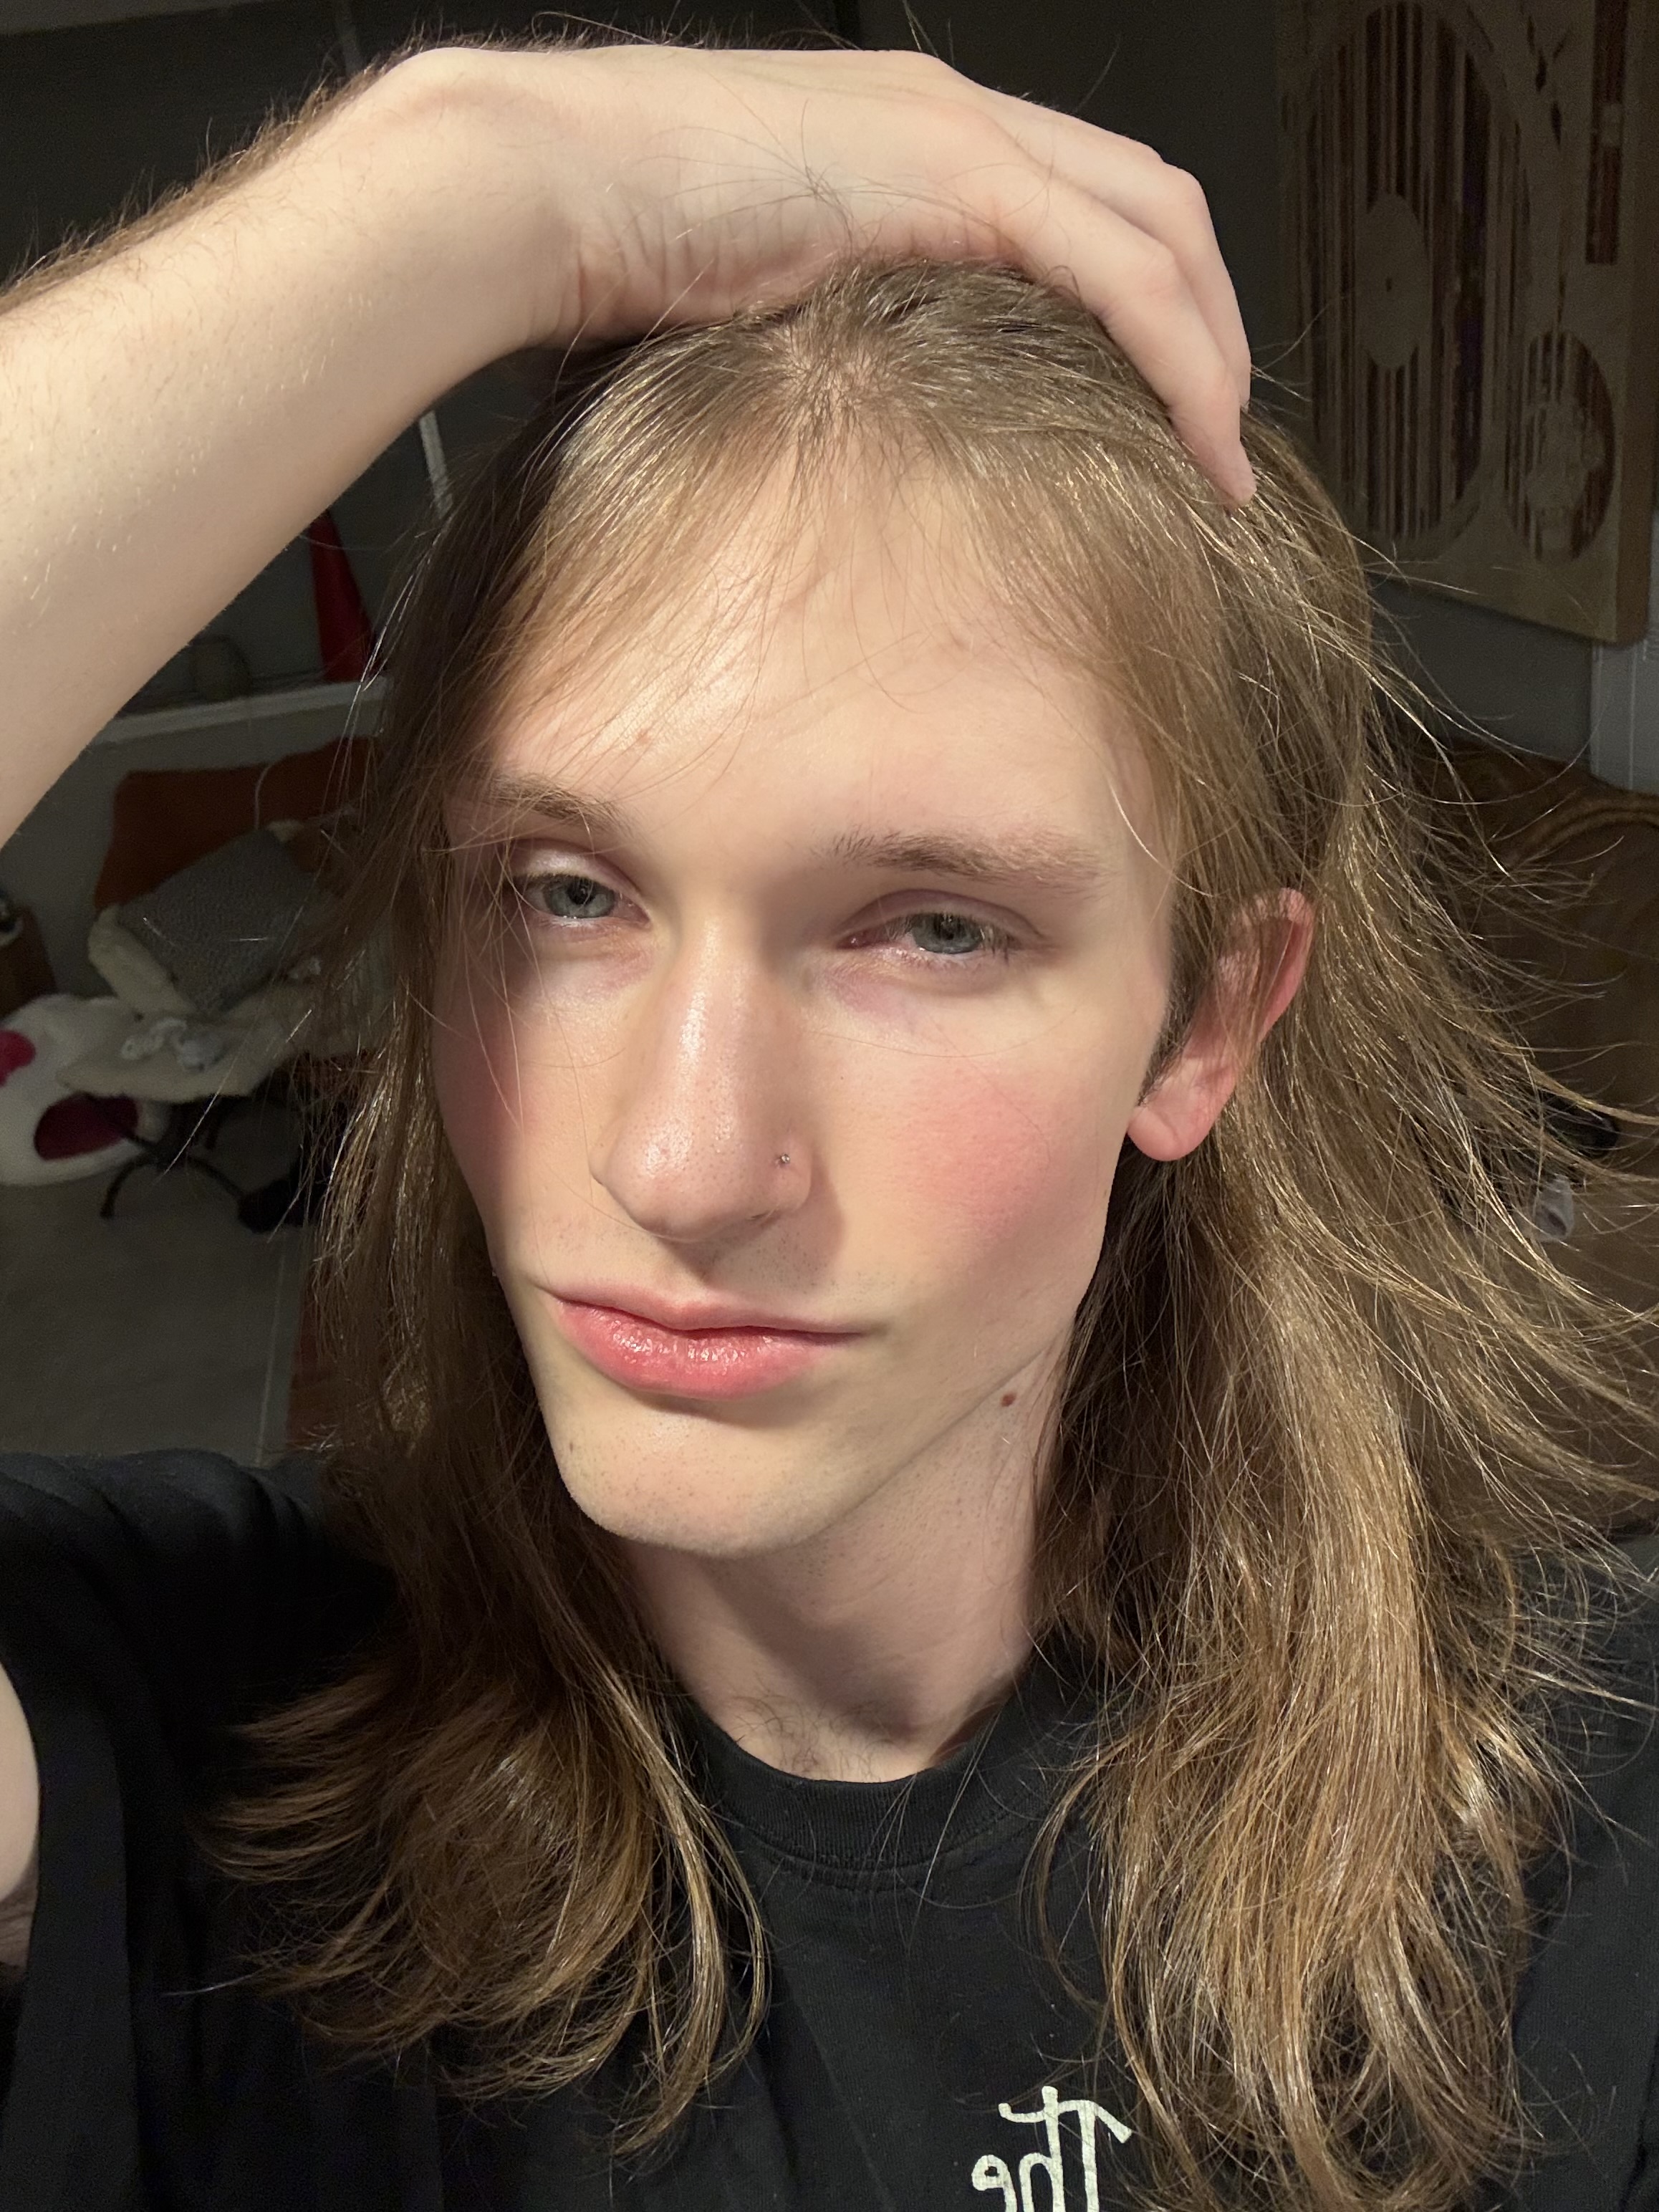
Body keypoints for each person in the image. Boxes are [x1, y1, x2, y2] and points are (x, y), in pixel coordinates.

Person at [1, 32, 1658, 2212]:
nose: (683, 1163)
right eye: (566, 894)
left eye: (933, 929)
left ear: (1202, 1022)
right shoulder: (183, 1735)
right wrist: (478, 177)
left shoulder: (1575, 1807)